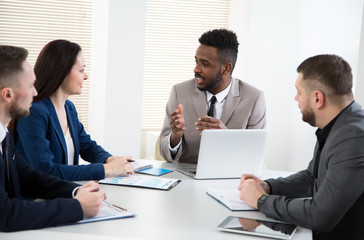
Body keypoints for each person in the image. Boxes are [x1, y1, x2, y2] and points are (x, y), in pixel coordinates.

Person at [238, 54, 364, 239]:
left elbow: (319, 215)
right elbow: (310, 178)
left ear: (317, 98)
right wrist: (267, 187)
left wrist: (261, 200)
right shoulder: (339, 125)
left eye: (299, 92)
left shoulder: (353, 137)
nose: (295, 98)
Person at [0, 45, 106, 232]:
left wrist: (76, 191)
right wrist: (78, 207)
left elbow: (30, 177)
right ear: (8, 94)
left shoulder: (3, 135)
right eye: (30, 85)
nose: (35, 92)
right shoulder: (36, 113)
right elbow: (6, 214)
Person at [9, 39, 133, 181]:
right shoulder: (33, 112)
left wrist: (110, 160)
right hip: (37, 199)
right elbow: (47, 170)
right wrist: (106, 169)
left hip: (64, 193)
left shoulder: (69, 108)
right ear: (61, 71)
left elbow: (86, 146)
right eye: (81, 70)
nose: (85, 76)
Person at [159, 29, 266, 163]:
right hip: (188, 177)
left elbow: (253, 154)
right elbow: (164, 151)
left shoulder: (254, 98)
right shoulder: (179, 92)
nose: (196, 69)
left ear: (226, 68)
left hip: (231, 178)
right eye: (196, 61)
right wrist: (175, 137)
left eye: (205, 64)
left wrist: (226, 137)